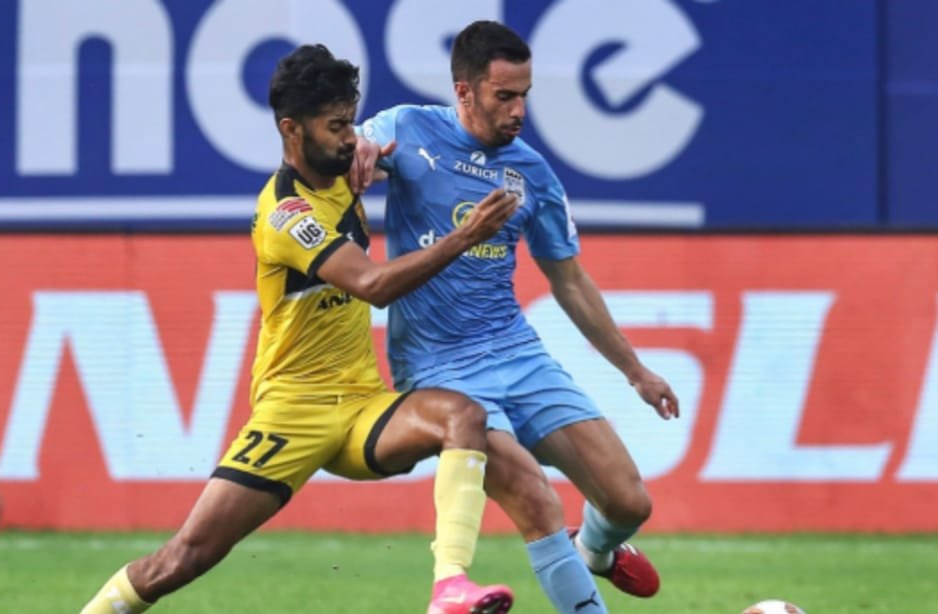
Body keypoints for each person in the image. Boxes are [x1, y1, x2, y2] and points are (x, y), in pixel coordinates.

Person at [80, 44, 520, 614]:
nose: (347, 136)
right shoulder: (287, 215)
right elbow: (373, 286)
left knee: (463, 416)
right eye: (335, 126)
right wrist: (464, 237)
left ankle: (449, 588)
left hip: (362, 405)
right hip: (292, 412)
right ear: (291, 129)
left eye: (350, 122)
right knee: (183, 558)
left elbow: (394, 153)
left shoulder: (345, 165)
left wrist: (367, 148)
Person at [350, 20, 680, 613]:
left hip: (516, 353)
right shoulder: (407, 128)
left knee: (629, 502)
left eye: (525, 94)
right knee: (538, 503)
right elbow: (346, 153)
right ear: (465, 91)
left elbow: (569, 280)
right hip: (439, 371)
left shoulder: (533, 174)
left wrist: (636, 371)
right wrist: (359, 151)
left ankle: (596, 552)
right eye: (505, 95)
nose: (519, 109)